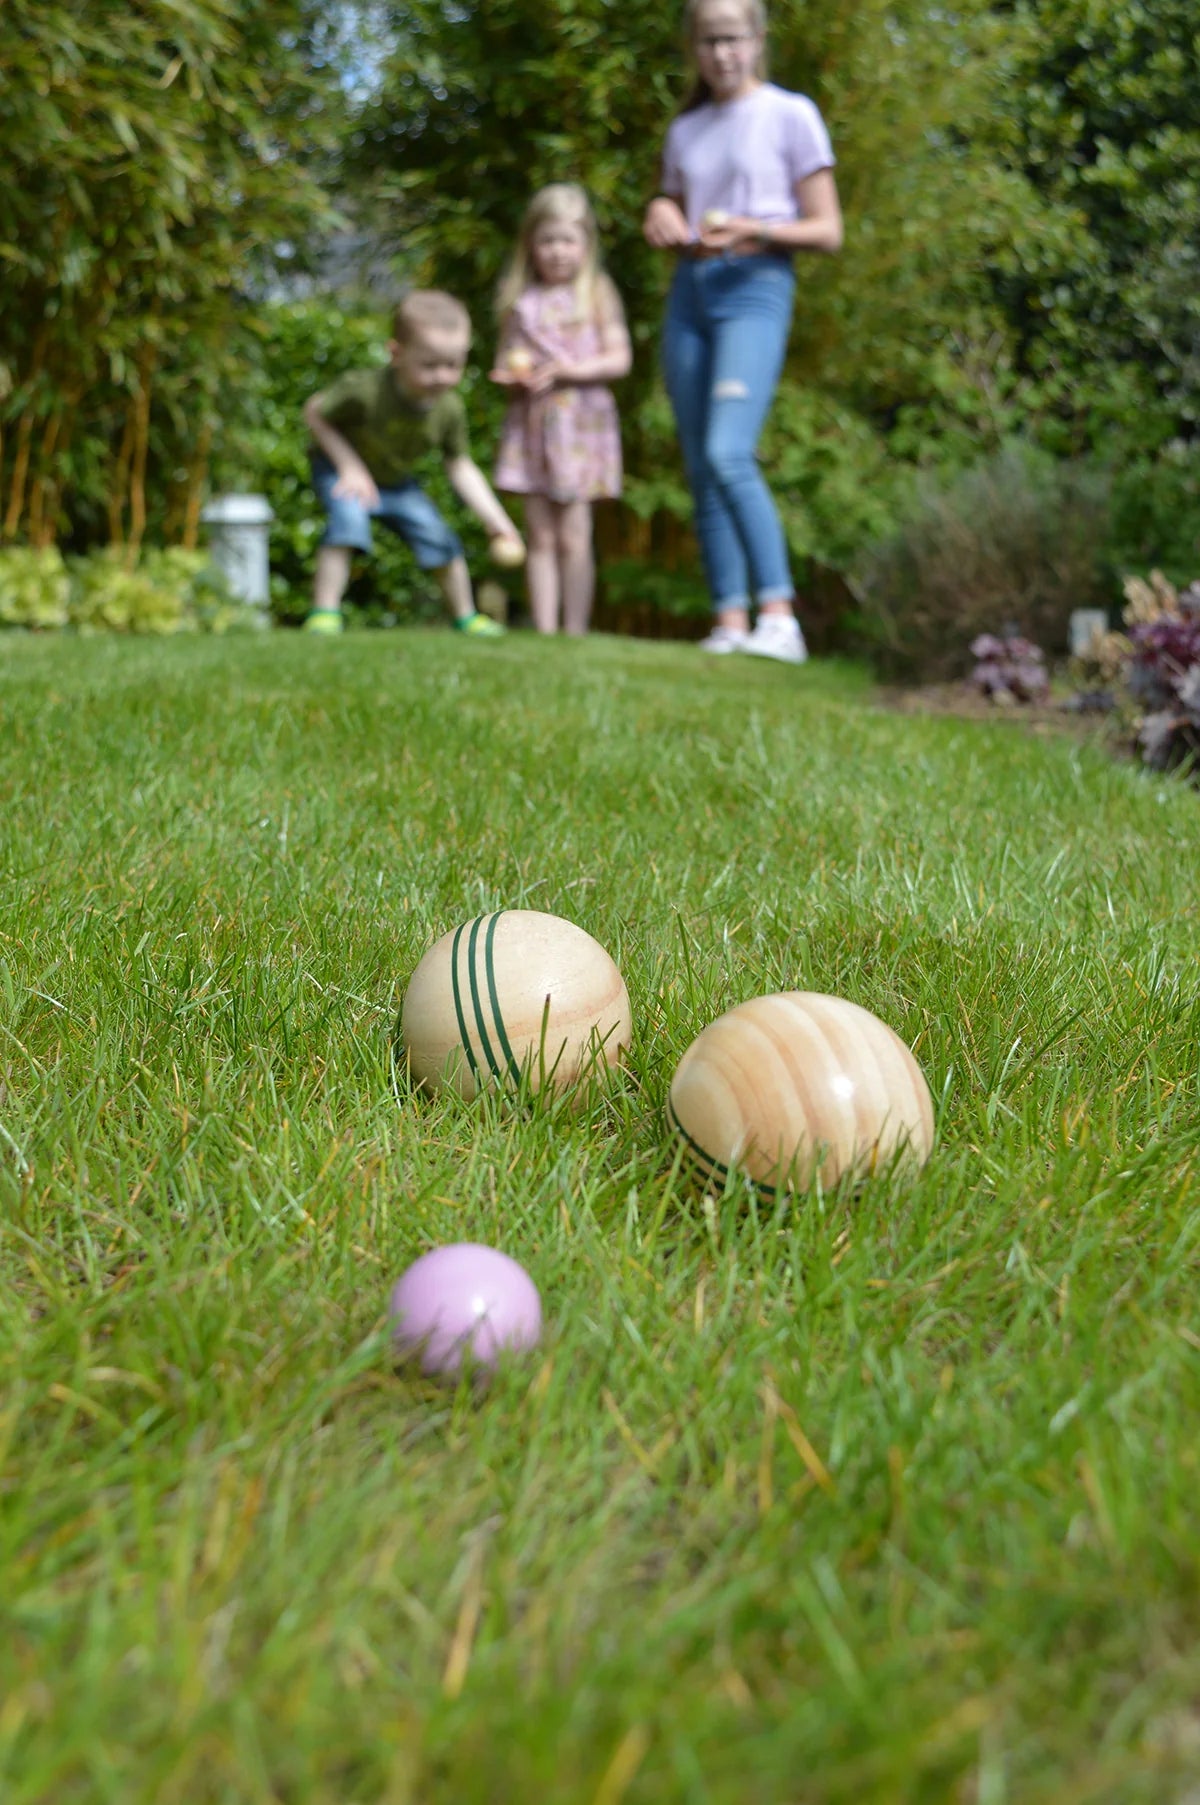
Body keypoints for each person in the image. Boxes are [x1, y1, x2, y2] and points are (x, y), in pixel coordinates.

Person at [643, 0, 843, 662]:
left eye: (732, 39)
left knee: (731, 451)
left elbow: (827, 229)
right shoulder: (687, 128)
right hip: (690, 291)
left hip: (755, 287)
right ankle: (729, 620)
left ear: (758, 40)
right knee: (701, 464)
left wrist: (755, 229)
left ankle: (779, 617)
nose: (721, 54)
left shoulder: (791, 114)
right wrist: (663, 212)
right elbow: (671, 198)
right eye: (708, 41)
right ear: (693, 48)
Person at [302, 290, 524, 637]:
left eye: (453, 365)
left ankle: (466, 617)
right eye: (430, 365)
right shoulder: (364, 390)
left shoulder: (448, 409)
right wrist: (350, 466)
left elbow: (460, 466)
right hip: (345, 472)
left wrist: (497, 522)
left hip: (394, 481)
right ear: (396, 353)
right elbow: (315, 412)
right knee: (348, 520)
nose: (442, 376)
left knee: (439, 537)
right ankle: (325, 612)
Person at [491, 184, 631, 636]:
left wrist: (570, 370)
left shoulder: (597, 293)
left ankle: (575, 631)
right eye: (548, 240)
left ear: (586, 245)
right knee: (542, 538)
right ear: (530, 243)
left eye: (568, 240)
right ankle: (545, 630)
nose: (557, 251)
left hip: (579, 427)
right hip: (532, 426)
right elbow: (507, 357)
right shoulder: (520, 301)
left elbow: (619, 358)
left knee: (574, 535)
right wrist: (514, 377)